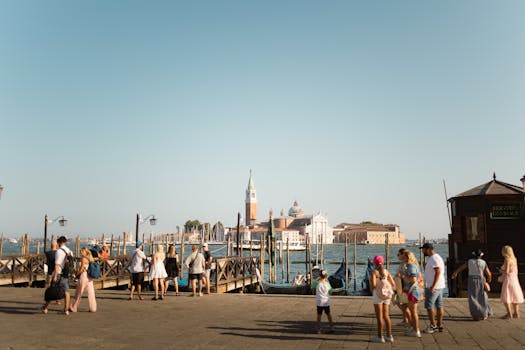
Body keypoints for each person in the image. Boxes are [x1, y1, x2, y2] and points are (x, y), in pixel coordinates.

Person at [451, 249, 492, 320]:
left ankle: (475, 314)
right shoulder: (483, 262)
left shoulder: (469, 261)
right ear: (481, 256)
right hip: (481, 280)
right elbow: (489, 274)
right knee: (482, 296)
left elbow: (461, 268)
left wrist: (455, 273)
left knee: (472, 297)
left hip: (472, 280)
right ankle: (484, 314)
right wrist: (488, 280)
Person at [41, 236, 72, 315]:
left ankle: (45, 308)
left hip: (58, 274)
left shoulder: (59, 251)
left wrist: (54, 276)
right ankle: (66, 310)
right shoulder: (69, 251)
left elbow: (57, 265)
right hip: (65, 274)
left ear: (59, 242)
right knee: (67, 291)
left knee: (52, 290)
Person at [420, 242, 445, 333]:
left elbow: (438, 272)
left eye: (423, 249)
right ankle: (440, 324)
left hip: (433, 286)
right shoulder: (434, 258)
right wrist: (425, 267)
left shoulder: (434, 258)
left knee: (429, 306)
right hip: (438, 286)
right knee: (439, 305)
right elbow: (433, 271)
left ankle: (433, 325)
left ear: (428, 249)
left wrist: (433, 286)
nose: (422, 251)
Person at [369, 255, 395, 343]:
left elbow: (373, 286)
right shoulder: (386, 271)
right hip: (387, 295)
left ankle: (380, 337)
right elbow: (393, 283)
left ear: (374, 263)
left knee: (379, 317)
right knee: (386, 316)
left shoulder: (374, 272)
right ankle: (389, 336)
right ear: (383, 262)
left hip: (378, 296)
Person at [400, 250, 423, 337]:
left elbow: (413, 279)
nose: (401, 258)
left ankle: (416, 331)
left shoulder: (411, 266)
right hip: (411, 290)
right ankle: (413, 328)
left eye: (403, 256)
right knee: (408, 309)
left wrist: (403, 276)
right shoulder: (414, 265)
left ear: (407, 258)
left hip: (412, 290)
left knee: (413, 312)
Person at [499, 245, 524, 319]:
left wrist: (501, 270)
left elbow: (506, 271)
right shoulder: (514, 259)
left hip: (508, 279)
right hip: (515, 279)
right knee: (514, 296)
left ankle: (509, 314)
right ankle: (516, 313)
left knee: (506, 296)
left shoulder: (507, 259)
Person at [70, 247, 97, 313]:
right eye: (80, 251)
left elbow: (82, 269)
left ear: (85, 252)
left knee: (79, 292)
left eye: (82, 251)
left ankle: (74, 307)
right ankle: (93, 308)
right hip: (90, 277)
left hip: (84, 275)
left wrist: (76, 275)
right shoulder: (90, 258)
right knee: (91, 293)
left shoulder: (83, 258)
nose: (81, 252)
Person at [311, 270, 334, 334]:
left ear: (319, 276)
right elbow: (331, 292)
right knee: (328, 314)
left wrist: (317, 280)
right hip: (326, 302)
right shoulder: (327, 284)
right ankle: (331, 327)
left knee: (319, 315)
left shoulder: (317, 283)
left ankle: (319, 329)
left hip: (319, 302)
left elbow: (312, 286)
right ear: (326, 276)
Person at [394, 248, 410, 328]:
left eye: (398, 254)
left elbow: (404, 276)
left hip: (404, 288)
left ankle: (410, 321)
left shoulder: (405, 265)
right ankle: (405, 320)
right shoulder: (402, 263)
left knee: (401, 303)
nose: (397, 256)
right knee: (402, 304)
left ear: (403, 255)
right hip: (401, 287)